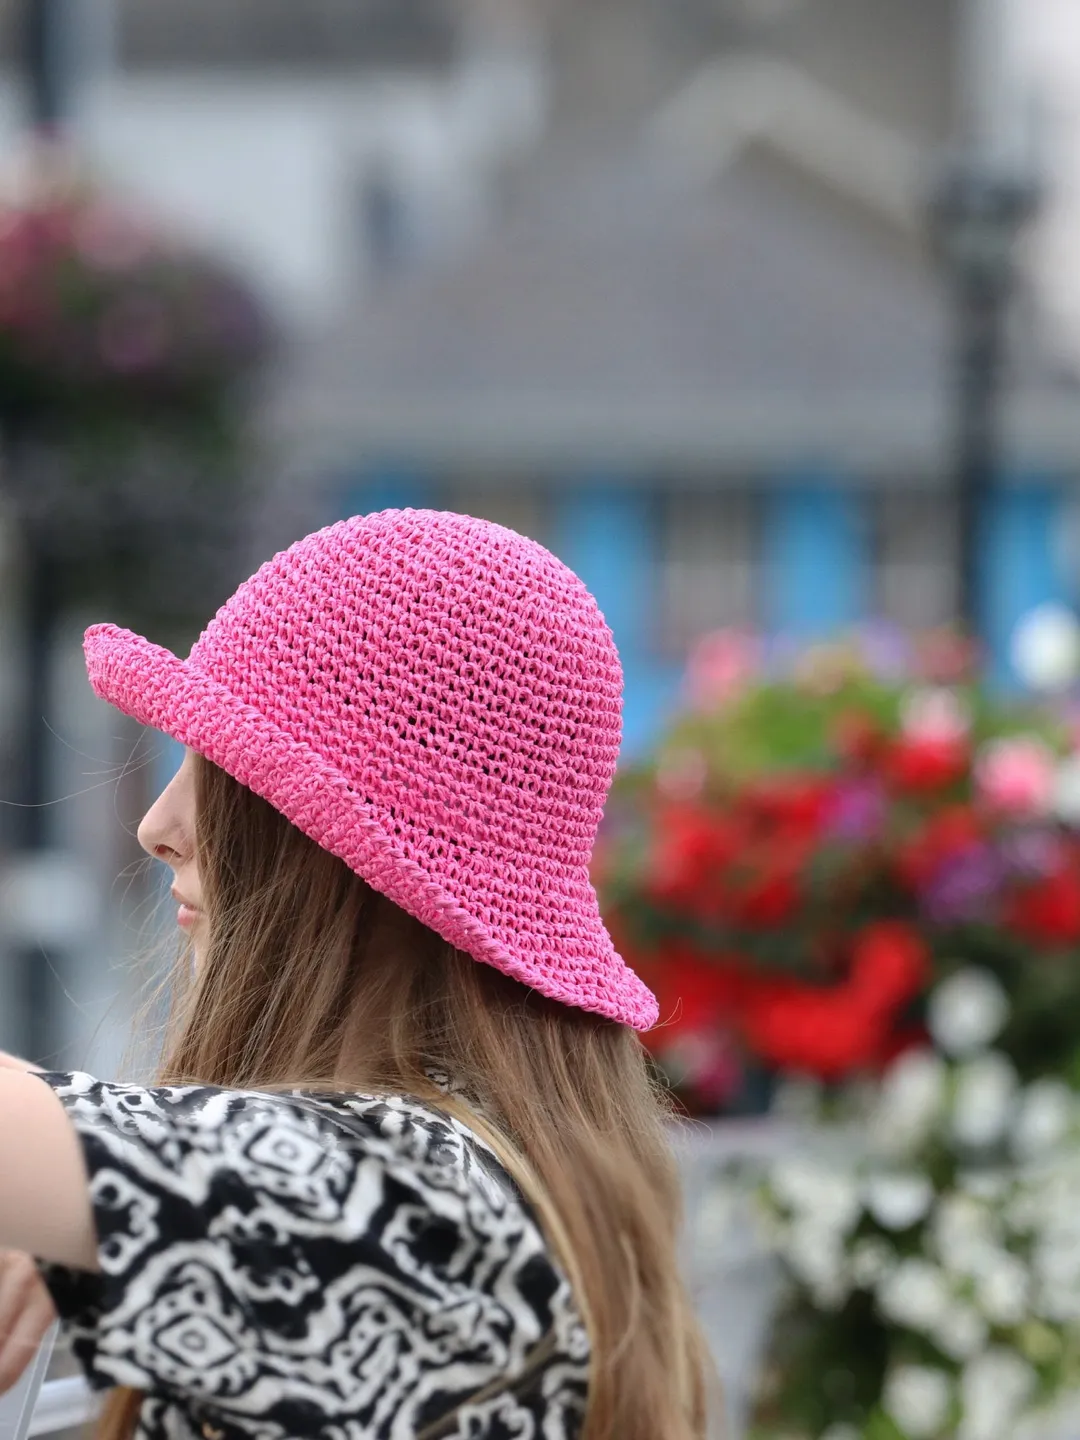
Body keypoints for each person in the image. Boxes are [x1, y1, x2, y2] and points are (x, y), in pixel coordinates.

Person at [0, 509, 710, 1440]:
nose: (158, 824)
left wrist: (101, 1181)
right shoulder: (467, 1189)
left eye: (220, 763)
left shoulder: (419, 1204)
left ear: (337, 851)